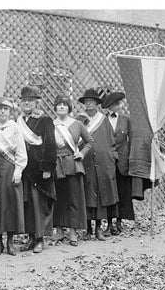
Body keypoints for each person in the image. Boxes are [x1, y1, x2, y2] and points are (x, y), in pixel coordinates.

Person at [17, 85, 57, 253]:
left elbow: (50, 144)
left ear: (36, 103)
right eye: (24, 101)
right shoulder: (19, 120)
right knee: (28, 205)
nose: (27, 103)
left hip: (39, 169)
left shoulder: (45, 119)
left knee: (39, 204)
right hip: (25, 168)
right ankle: (31, 237)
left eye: (30, 101)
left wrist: (47, 167)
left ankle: (40, 239)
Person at [51, 96, 92, 246]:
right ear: (55, 108)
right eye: (59, 104)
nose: (62, 107)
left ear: (69, 108)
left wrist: (81, 153)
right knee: (59, 198)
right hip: (56, 165)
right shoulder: (50, 124)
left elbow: (89, 141)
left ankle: (73, 231)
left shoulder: (77, 124)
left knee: (74, 198)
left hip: (73, 165)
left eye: (65, 105)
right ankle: (60, 229)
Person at [79, 88, 119, 241]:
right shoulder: (79, 120)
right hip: (86, 162)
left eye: (91, 101)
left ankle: (98, 230)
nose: (88, 103)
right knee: (88, 194)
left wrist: (110, 160)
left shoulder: (104, 120)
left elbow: (111, 142)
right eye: (86, 101)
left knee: (101, 196)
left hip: (102, 163)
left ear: (97, 103)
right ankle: (89, 229)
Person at [0, 97, 27, 256]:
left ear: (10, 111)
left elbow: (20, 150)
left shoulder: (15, 127)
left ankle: (10, 241)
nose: (2, 111)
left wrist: (18, 171)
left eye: (5, 108)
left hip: (11, 167)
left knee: (11, 204)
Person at [103, 91, 133, 235]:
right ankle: (109, 223)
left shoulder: (126, 119)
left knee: (122, 192)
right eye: (115, 104)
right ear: (109, 106)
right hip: (107, 161)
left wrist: (130, 159)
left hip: (122, 162)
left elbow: (131, 139)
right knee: (110, 192)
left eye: (119, 103)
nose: (118, 106)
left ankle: (119, 222)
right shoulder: (102, 120)